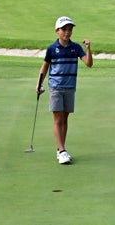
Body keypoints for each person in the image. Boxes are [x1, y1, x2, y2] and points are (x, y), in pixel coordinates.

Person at [36, 16, 93, 164]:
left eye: (70, 30)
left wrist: (88, 49)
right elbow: (45, 67)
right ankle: (62, 151)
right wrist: (39, 84)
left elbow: (88, 63)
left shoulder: (76, 48)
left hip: (70, 86)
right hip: (55, 86)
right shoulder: (52, 49)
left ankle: (60, 148)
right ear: (57, 31)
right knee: (58, 118)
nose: (67, 33)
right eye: (64, 29)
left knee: (65, 118)